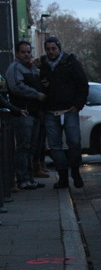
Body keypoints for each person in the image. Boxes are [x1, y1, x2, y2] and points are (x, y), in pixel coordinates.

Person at [39, 36, 89, 189]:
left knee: (74, 142)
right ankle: (63, 177)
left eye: (53, 48)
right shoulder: (42, 65)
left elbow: (82, 84)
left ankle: (75, 172)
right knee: (55, 146)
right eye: (48, 49)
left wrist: (77, 105)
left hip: (69, 110)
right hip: (50, 111)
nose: (51, 52)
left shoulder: (70, 62)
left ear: (59, 48)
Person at [6, 41, 47, 190]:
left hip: (34, 113)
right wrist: (36, 95)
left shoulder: (31, 69)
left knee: (31, 148)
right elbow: (16, 87)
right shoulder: (15, 68)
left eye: (28, 52)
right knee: (24, 147)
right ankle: (23, 179)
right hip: (23, 113)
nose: (27, 55)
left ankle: (29, 178)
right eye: (23, 52)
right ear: (17, 53)